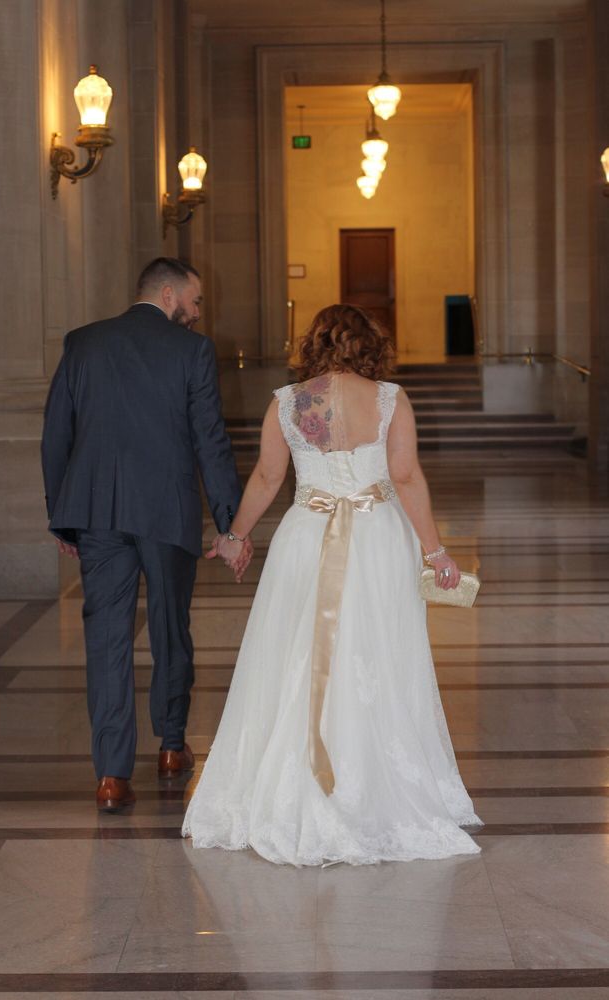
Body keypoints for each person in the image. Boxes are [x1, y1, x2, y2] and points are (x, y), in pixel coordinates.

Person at [185, 303, 482, 865]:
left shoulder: (287, 403)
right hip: (377, 538)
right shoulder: (389, 399)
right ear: (369, 344)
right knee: (377, 651)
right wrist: (436, 551)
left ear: (313, 344)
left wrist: (235, 536)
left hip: (306, 536)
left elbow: (268, 477)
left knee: (296, 650)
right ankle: (371, 785)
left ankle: (294, 780)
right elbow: (405, 476)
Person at [41, 257, 249, 812]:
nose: (198, 312)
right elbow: (210, 440)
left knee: (106, 639)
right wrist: (231, 524)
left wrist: (62, 513)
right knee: (169, 627)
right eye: (195, 301)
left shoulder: (83, 343)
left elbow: (56, 432)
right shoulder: (192, 351)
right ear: (169, 294)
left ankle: (111, 776)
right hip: (165, 510)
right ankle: (172, 747)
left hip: (97, 511)